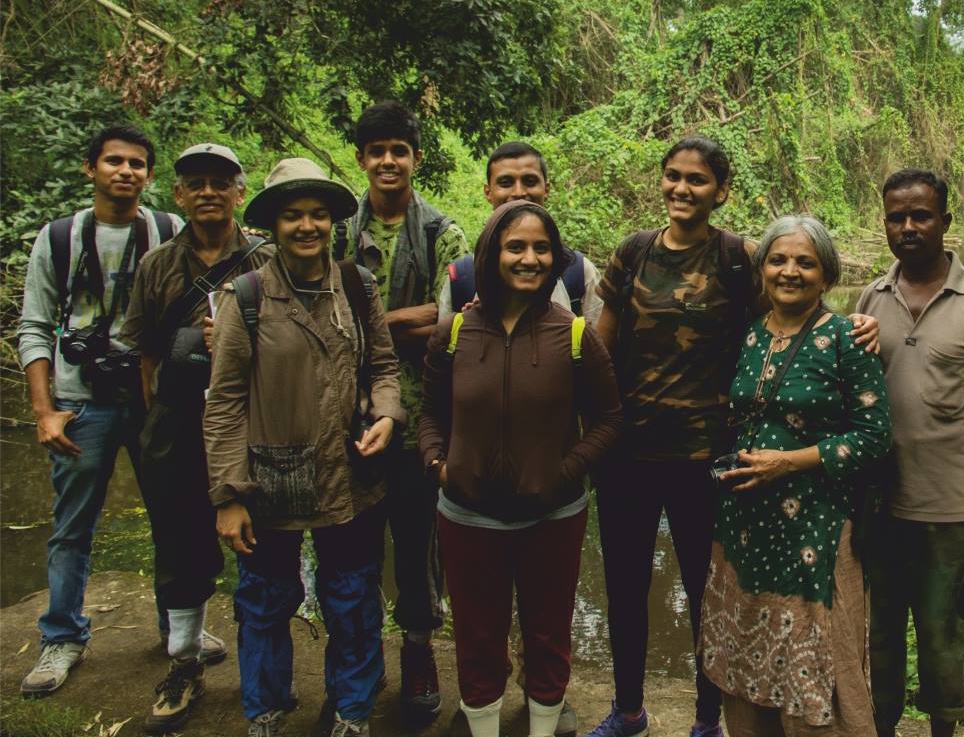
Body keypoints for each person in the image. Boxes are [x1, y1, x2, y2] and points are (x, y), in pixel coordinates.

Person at [590, 135, 882, 737]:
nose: (681, 189)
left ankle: (706, 720)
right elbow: (601, 345)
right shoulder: (633, 253)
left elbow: (793, 306)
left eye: (696, 180)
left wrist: (858, 322)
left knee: (709, 593)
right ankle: (627, 710)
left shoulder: (739, 258)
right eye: (672, 176)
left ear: (720, 192)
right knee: (624, 586)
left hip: (707, 462)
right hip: (631, 457)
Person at [203, 157, 404, 737]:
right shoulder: (245, 297)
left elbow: (385, 369)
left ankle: (352, 711)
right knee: (265, 601)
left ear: (333, 221)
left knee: (353, 598)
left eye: (318, 214)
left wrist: (387, 414)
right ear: (273, 224)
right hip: (271, 476)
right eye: (293, 216)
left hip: (353, 471)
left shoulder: (358, 286)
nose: (307, 226)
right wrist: (228, 494)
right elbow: (223, 403)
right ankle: (264, 709)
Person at [419, 200, 622, 737]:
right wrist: (438, 463)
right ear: (492, 254)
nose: (529, 258)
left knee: (548, 633)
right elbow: (429, 412)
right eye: (516, 247)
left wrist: (565, 472)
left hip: (552, 517)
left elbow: (608, 419)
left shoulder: (576, 335)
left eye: (541, 248)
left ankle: (542, 728)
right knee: (477, 636)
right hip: (467, 517)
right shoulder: (455, 334)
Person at [702, 214, 891, 737]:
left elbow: (874, 440)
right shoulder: (748, 336)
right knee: (749, 658)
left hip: (818, 531)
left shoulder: (848, 338)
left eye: (805, 262)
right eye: (778, 260)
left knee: (820, 664)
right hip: (744, 527)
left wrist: (790, 461)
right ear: (762, 269)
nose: (790, 271)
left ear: (826, 276)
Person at [16, 124, 182, 697]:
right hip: (81, 400)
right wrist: (45, 410)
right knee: (72, 527)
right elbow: (35, 328)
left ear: (150, 175)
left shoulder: (168, 231)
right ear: (91, 169)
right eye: (113, 161)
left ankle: (176, 628)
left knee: (173, 517)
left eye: (137, 164)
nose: (125, 172)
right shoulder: (58, 238)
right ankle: (61, 636)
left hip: (152, 399)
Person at [855, 170, 964, 737]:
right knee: (881, 636)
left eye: (921, 215)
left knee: (943, 635)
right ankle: (881, 727)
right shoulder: (870, 297)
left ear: (945, 222)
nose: (907, 227)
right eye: (896, 217)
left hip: (949, 510)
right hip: (880, 505)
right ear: (884, 223)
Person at [120, 143, 275, 732]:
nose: (208, 192)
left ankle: (267, 674)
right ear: (178, 195)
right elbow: (146, 356)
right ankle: (183, 661)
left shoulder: (266, 259)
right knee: (179, 543)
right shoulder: (158, 264)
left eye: (220, 182)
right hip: (177, 420)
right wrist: (154, 421)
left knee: (265, 549)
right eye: (196, 184)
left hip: (252, 422)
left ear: (240, 192)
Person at [335, 100, 468, 722]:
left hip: (418, 425)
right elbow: (311, 312)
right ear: (361, 160)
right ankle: (355, 670)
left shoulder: (443, 232)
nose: (389, 160)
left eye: (400, 150)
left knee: (417, 547)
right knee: (348, 549)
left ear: (414, 159)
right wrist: (405, 322)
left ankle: (417, 653)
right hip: (343, 420)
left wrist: (365, 322)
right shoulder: (337, 230)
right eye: (377, 150)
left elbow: (453, 320)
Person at [437, 140, 605, 325]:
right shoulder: (462, 277)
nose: (519, 192)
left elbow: (599, 347)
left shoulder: (579, 273)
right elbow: (446, 347)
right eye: (506, 182)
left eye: (530, 181)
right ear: (488, 192)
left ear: (546, 189)